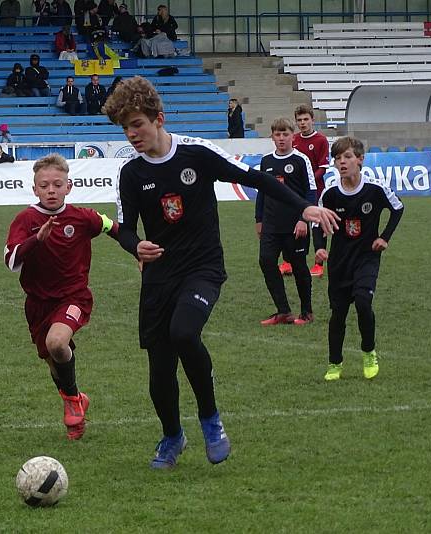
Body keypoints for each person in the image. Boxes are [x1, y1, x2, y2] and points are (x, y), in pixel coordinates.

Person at [102, 77, 339, 468]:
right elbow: (125, 228)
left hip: (202, 268)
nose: (131, 135)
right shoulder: (130, 174)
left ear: (158, 119)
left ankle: (210, 419)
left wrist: (305, 207)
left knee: (183, 332)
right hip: (159, 275)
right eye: (125, 128)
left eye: (137, 124)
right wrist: (134, 245)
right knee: (160, 369)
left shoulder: (196, 153)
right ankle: (172, 437)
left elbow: (257, 178)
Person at [4, 153, 119, 440]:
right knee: (55, 362)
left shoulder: (82, 217)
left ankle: (71, 402)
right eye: (44, 186)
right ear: (35, 189)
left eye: (58, 184)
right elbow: (10, 260)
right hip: (38, 304)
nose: (51, 190)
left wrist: (139, 249)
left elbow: (113, 227)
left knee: (57, 342)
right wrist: (35, 240)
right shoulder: (26, 219)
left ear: (69, 186)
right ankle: (76, 398)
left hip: (74, 297)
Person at [313, 137, 403, 381]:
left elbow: (398, 208)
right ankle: (334, 364)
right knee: (338, 314)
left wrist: (384, 237)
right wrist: (320, 248)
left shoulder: (375, 188)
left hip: (366, 258)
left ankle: (368, 352)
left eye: (348, 157)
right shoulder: (330, 194)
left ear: (360, 159)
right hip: (340, 261)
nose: (342, 162)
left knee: (364, 303)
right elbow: (317, 223)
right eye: (338, 158)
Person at [255, 118, 317, 326]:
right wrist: (259, 219)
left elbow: (311, 192)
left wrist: (303, 219)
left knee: (299, 266)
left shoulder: (301, 160)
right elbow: (262, 192)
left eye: (285, 134)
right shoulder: (266, 161)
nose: (281, 138)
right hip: (271, 225)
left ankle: (306, 312)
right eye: (277, 134)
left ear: (293, 135)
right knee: (266, 260)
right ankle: (283, 311)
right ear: (272, 137)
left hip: (295, 225)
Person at [293, 103, 331, 278]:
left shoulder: (321, 140)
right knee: (295, 223)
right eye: (299, 120)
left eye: (306, 119)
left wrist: (308, 183)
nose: (303, 123)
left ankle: (318, 264)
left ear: (312, 120)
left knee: (316, 224)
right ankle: (290, 261)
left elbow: (323, 168)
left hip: (317, 190)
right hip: (297, 191)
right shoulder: (293, 139)